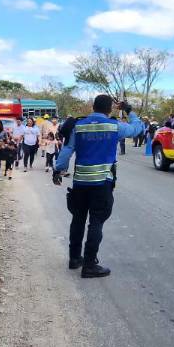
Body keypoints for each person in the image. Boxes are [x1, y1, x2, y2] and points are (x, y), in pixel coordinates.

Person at [53, 95, 145, 279]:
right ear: (110, 109)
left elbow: (67, 150)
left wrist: (58, 170)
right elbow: (137, 129)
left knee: (78, 220)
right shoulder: (114, 126)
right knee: (96, 222)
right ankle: (89, 265)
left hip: (80, 182)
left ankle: (74, 259)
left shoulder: (79, 125)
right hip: (102, 183)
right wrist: (128, 110)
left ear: (93, 106)